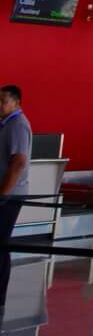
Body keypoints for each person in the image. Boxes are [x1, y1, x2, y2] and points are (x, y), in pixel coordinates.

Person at [0, 84, 32, 310]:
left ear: (16, 103)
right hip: (5, 194)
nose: (0, 105)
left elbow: (19, 162)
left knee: (0, 244)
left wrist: (3, 194)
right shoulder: (6, 125)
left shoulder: (18, 125)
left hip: (9, 196)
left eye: (3, 101)